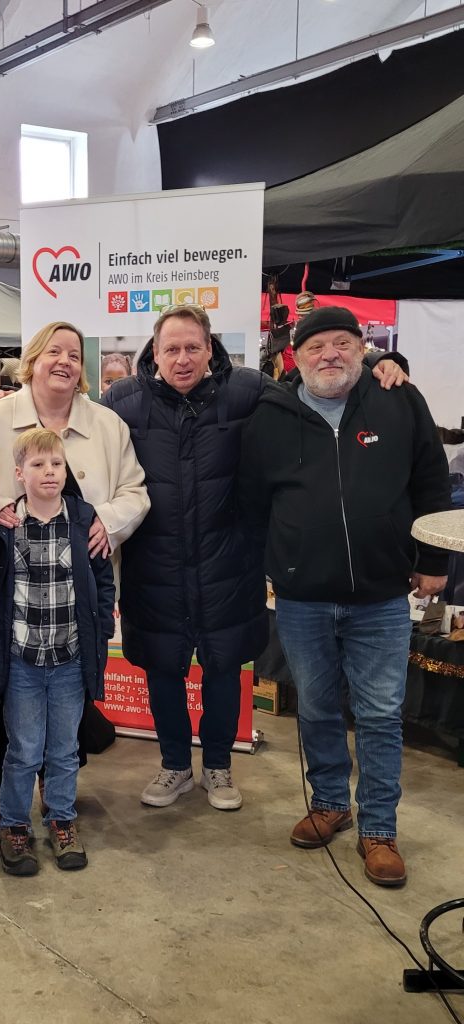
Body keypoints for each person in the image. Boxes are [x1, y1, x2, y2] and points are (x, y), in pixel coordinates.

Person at [103, 304, 409, 812]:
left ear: (210, 348)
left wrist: (379, 358)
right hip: (152, 567)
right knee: (161, 669)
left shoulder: (247, 390)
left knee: (223, 667)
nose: (182, 359)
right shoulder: (123, 401)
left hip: (229, 562)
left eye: (193, 347)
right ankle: (176, 765)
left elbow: (319, 378)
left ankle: (218, 767)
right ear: (153, 353)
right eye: (171, 349)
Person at [239, 305, 450, 887]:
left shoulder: (399, 400)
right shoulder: (271, 415)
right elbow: (254, 502)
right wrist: (270, 566)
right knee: (317, 706)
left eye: (342, 343)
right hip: (302, 597)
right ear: (295, 357)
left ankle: (379, 829)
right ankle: (331, 802)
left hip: (382, 596)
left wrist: (434, 562)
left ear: (363, 349)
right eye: (316, 347)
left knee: (381, 713)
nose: (329, 355)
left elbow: (431, 480)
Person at [0, 321, 150, 834]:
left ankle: (56, 791)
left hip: (74, 595)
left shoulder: (108, 425)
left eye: (74, 353)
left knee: (67, 704)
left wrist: (107, 524)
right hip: (11, 597)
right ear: (32, 359)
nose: (64, 360)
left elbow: (135, 491)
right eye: (54, 351)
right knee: (4, 693)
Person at [0, 429, 115, 876]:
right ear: (19, 473)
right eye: (38, 465)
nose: (49, 473)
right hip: (22, 661)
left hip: (70, 660)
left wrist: (102, 630)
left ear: (66, 471)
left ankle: (62, 819)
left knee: (63, 749)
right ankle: (13, 825)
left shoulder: (83, 520)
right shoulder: (5, 526)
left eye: (56, 465)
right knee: (23, 749)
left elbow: (103, 581)